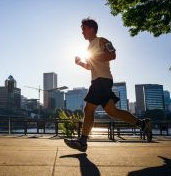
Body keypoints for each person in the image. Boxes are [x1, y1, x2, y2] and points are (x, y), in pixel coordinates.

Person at [64, 18, 152, 152]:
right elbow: (90, 66)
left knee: (88, 110)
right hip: (100, 81)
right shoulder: (89, 47)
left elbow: (112, 55)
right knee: (112, 111)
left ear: (91, 29)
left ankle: (82, 141)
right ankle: (143, 124)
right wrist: (80, 63)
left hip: (101, 80)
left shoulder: (102, 41)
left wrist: (94, 57)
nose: (82, 32)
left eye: (84, 29)